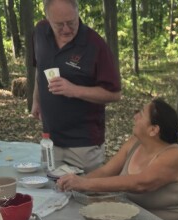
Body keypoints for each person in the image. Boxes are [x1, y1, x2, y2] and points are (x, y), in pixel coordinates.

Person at [55, 98, 178, 220]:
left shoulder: (173, 155)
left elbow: (140, 184)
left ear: (153, 130)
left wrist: (85, 184)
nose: (135, 117)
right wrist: (75, 183)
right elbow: (106, 171)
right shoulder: (135, 141)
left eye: (141, 115)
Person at [31, 0, 121, 172]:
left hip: (83, 144)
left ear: (78, 13)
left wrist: (74, 90)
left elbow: (114, 94)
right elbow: (39, 69)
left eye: (71, 22)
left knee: (86, 195)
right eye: (59, 25)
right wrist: (37, 100)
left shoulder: (95, 45)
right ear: (47, 18)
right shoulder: (40, 32)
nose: (66, 29)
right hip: (50, 138)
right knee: (53, 193)